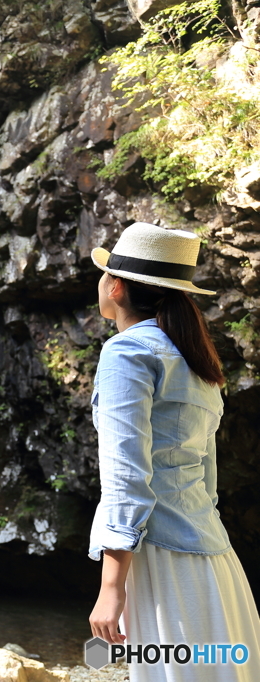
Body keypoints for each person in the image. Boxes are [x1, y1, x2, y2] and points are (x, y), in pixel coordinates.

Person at [87, 221, 260, 681]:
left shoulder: (126, 354)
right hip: (214, 560)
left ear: (117, 287)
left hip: (161, 560)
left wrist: (111, 587)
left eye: (103, 275)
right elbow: (208, 480)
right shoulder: (196, 360)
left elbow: (126, 477)